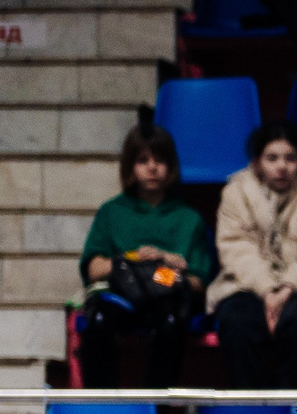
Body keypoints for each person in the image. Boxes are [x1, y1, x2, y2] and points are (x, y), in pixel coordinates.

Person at [206, 121, 297, 390]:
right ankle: (253, 413)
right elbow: (235, 248)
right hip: (247, 284)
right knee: (238, 322)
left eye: (290, 158)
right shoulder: (236, 191)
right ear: (257, 163)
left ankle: (289, 410)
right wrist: (268, 289)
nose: (281, 166)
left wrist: (288, 287)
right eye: (272, 158)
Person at [79, 121, 213, 390]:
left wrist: (164, 263)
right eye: (143, 160)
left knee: (172, 323)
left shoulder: (188, 218)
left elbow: (198, 283)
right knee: (99, 320)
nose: (152, 167)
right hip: (122, 293)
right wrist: (133, 259)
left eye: (160, 160)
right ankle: (102, 408)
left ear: (171, 166)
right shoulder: (112, 211)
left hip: (166, 297)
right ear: (130, 166)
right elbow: (94, 268)